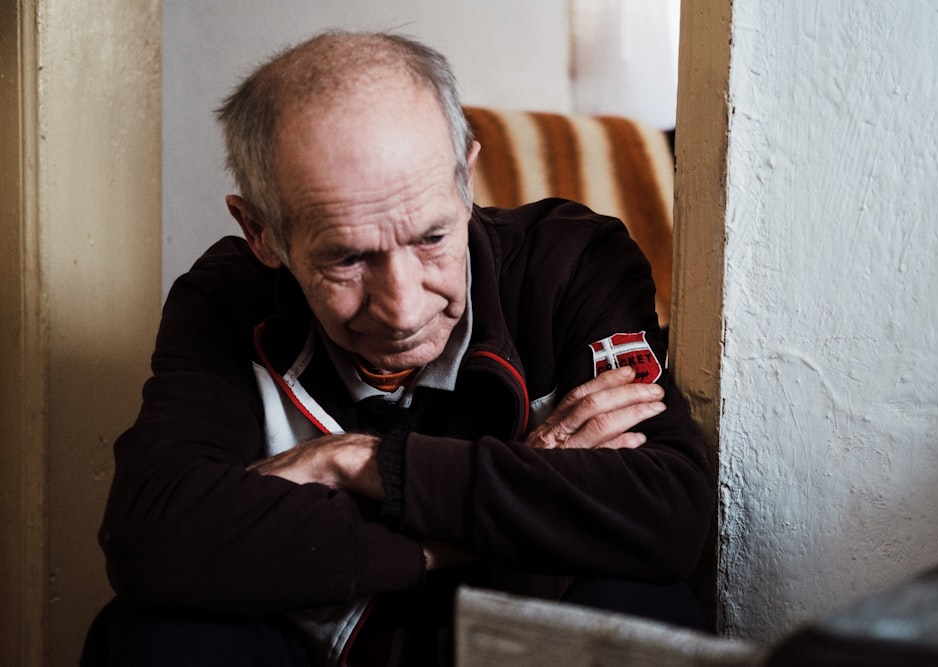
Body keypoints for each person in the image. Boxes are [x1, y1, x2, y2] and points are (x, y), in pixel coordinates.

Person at [88, 30, 712, 666]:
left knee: (644, 603)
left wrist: (357, 462)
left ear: (465, 180)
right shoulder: (228, 297)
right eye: (348, 259)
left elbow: (667, 515)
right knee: (153, 634)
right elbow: (151, 538)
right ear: (262, 232)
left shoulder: (573, 261)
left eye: (432, 238)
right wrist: (480, 512)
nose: (404, 309)